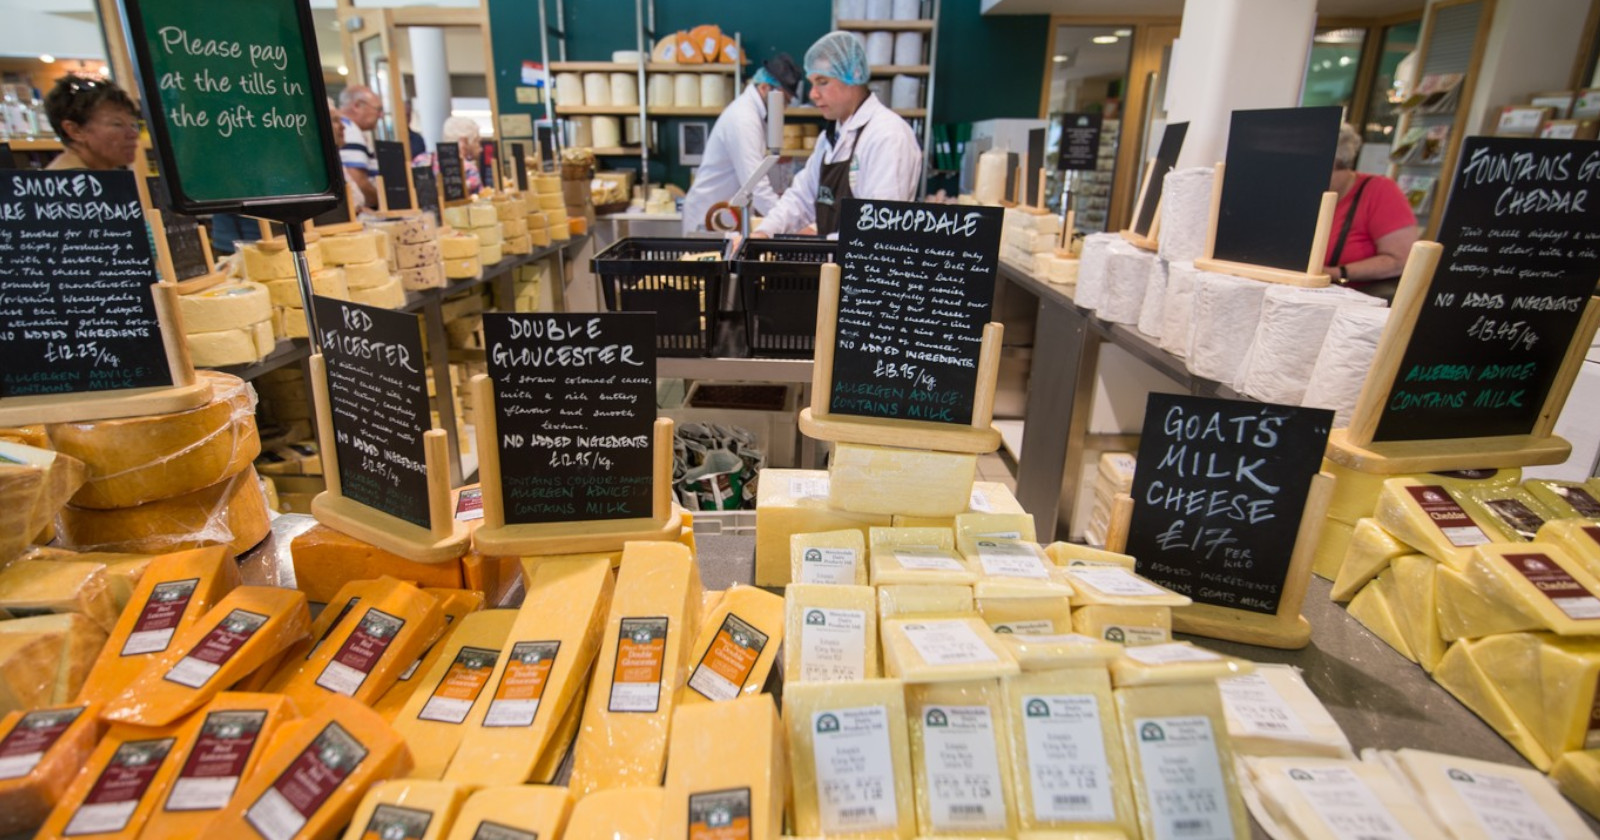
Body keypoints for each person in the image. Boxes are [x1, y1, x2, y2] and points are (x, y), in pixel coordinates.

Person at [753, 32, 922, 237]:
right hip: (834, 256)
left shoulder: (887, 135)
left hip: (862, 257)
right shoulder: (830, 137)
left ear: (854, 75)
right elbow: (801, 198)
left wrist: (822, 244)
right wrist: (764, 231)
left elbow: (879, 230)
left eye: (822, 82)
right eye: (812, 83)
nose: (813, 94)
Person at [681, 54, 803, 233]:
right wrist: (792, 227)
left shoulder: (754, 114)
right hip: (709, 218)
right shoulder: (744, 119)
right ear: (764, 87)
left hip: (726, 216)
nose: (784, 108)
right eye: (783, 100)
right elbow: (756, 186)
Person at [1323, 123, 1418, 299]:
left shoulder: (1380, 191)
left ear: (1341, 163)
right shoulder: (1301, 194)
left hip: (1356, 302)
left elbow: (1402, 260)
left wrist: (1335, 273)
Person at [42, 75, 140, 170]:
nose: (133, 134)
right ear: (75, 131)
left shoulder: (100, 174)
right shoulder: (75, 179)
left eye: (132, 125)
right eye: (117, 124)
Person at [338, 85, 384, 208]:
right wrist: (382, 202)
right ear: (357, 106)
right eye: (378, 109)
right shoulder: (349, 131)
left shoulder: (350, 130)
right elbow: (358, 181)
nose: (381, 115)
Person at [440, 116, 484, 195]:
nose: (481, 149)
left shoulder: (423, 160)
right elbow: (482, 198)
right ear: (464, 141)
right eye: (477, 141)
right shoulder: (470, 170)